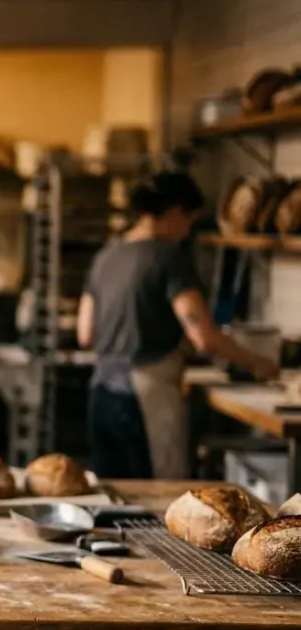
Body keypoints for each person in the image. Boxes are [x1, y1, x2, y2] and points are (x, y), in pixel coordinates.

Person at [77, 171, 279, 480]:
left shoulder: (108, 254)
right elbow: (204, 336)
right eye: (189, 221)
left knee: (113, 498)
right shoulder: (168, 257)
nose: (187, 232)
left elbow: (85, 334)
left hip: (102, 391)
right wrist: (258, 362)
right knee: (160, 500)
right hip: (146, 395)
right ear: (174, 212)